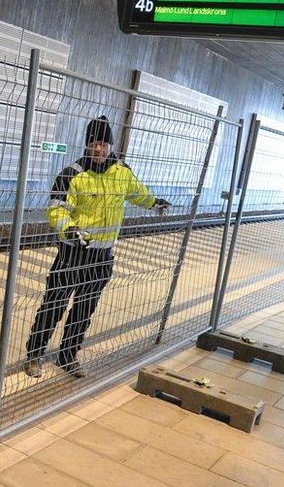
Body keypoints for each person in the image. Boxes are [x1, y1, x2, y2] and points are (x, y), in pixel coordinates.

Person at [24, 115, 170, 378]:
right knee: (54, 304)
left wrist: (155, 202)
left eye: (104, 143)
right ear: (87, 145)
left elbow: (139, 194)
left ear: (111, 146)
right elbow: (56, 210)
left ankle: (68, 356)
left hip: (102, 256)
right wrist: (69, 229)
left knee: (84, 308)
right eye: (94, 143)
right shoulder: (72, 175)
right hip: (72, 252)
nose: (100, 149)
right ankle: (35, 354)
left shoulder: (122, 173)